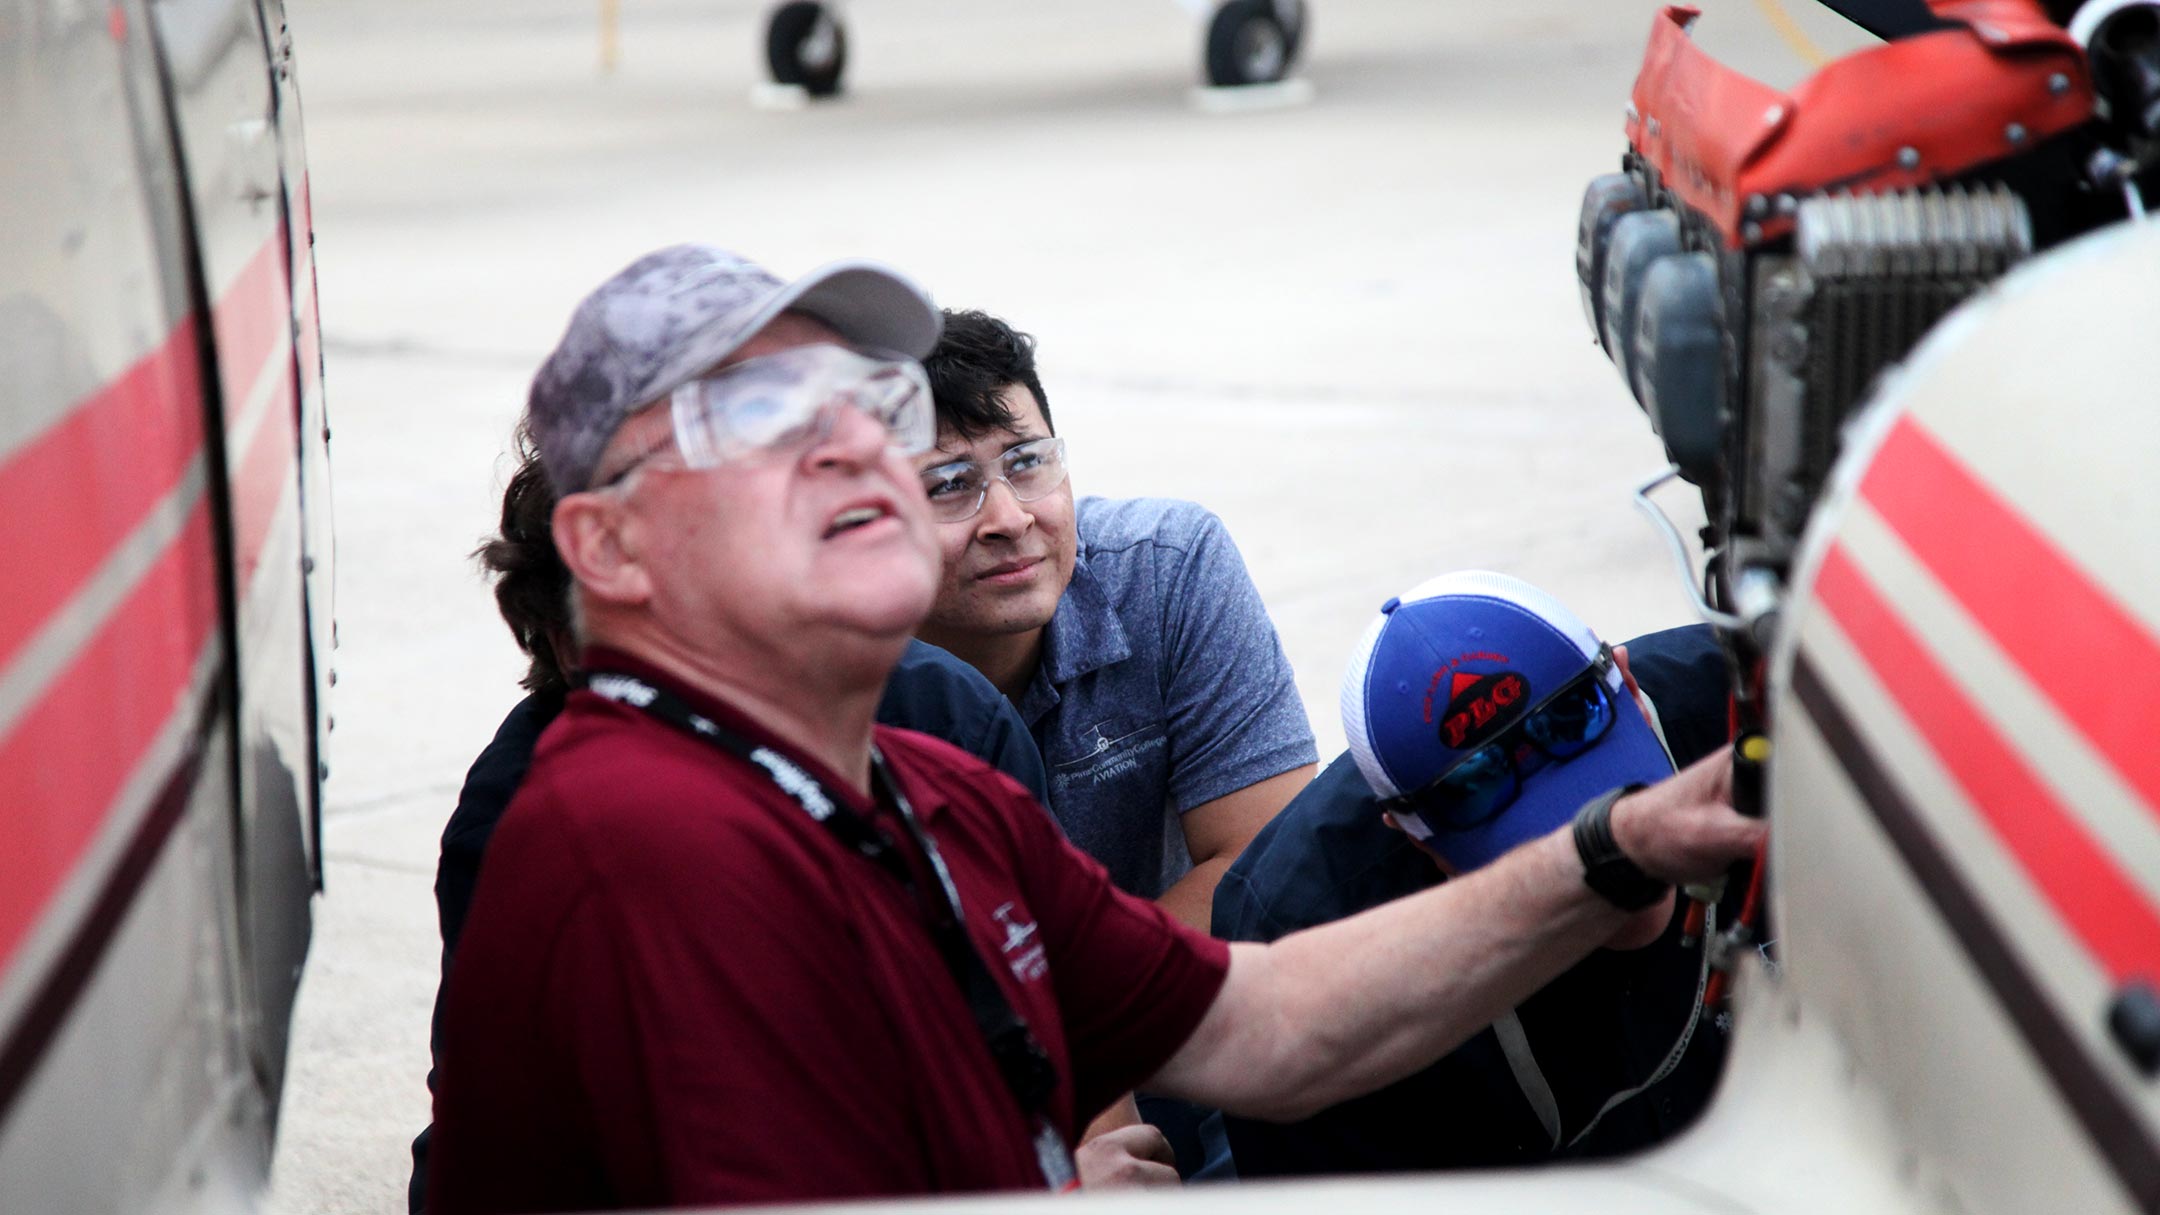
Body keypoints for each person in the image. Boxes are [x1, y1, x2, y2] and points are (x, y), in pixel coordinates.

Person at [424, 243, 1764, 1213]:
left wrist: (1622, 839)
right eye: (759, 417)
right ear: (612, 548)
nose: (854, 445)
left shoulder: (927, 787)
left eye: (860, 406)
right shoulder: (646, 835)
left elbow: (1275, 1015)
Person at [406, 435, 1053, 1213]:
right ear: (560, 647)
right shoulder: (518, 816)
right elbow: (529, 1113)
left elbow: (1059, 1004)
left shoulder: (942, 718)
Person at [1215, 571, 1739, 1177]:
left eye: (1574, 721)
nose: (1618, 872)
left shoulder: (1756, 708)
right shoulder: (1305, 938)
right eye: (1474, 789)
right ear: (1415, 840)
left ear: (1624, 680)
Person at [915, 310, 1315, 927]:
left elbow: (1265, 856)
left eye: (1025, 463)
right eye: (948, 484)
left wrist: (1094, 1011)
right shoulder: (831, 670)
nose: (1009, 518)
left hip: (1170, 1005)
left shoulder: (1165, 570)